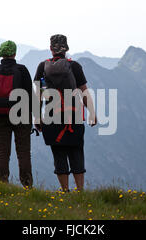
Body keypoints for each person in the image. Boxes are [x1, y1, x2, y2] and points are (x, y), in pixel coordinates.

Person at [34, 34, 97, 192]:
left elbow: (38, 94)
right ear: (66, 48)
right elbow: (84, 92)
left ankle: (65, 191)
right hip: (73, 117)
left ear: (51, 49)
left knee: (59, 154)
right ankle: (80, 191)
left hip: (51, 117)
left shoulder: (42, 67)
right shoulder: (74, 66)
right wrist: (92, 113)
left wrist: (37, 116)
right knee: (76, 152)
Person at [0, 40, 34, 188]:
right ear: (15, 53)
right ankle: (28, 186)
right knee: (23, 153)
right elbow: (30, 95)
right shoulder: (22, 70)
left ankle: (2, 186)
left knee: (2, 153)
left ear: (1, 54)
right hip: (21, 116)